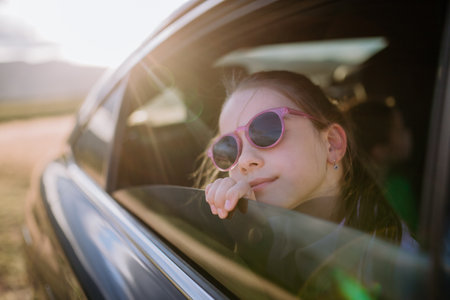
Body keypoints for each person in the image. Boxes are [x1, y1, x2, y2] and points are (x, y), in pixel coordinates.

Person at [194, 70, 403, 243]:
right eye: (228, 147)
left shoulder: (393, 262)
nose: (244, 161)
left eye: (267, 129)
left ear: (331, 143)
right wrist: (243, 236)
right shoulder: (246, 233)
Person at [347, 101, 418, 232]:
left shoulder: (351, 195)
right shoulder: (397, 190)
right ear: (379, 151)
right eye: (399, 129)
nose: (408, 132)